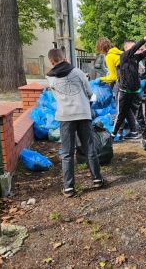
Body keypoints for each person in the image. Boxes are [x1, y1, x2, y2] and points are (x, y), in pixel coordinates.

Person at [46, 49, 104, 197]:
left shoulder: (49, 77)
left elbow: (56, 96)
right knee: (89, 147)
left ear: (51, 62)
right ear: (64, 58)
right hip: (83, 114)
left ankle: (68, 187)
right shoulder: (77, 71)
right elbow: (90, 92)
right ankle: (97, 179)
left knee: (67, 153)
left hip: (65, 116)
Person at [111, 34, 146, 150]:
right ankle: (112, 136)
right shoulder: (124, 56)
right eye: (132, 47)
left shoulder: (136, 58)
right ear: (126, 48)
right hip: (124, 92)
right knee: (120, 115)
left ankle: (145, 138)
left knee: (140, 116)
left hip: (135, 92)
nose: (136, 49)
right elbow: (136, 47)